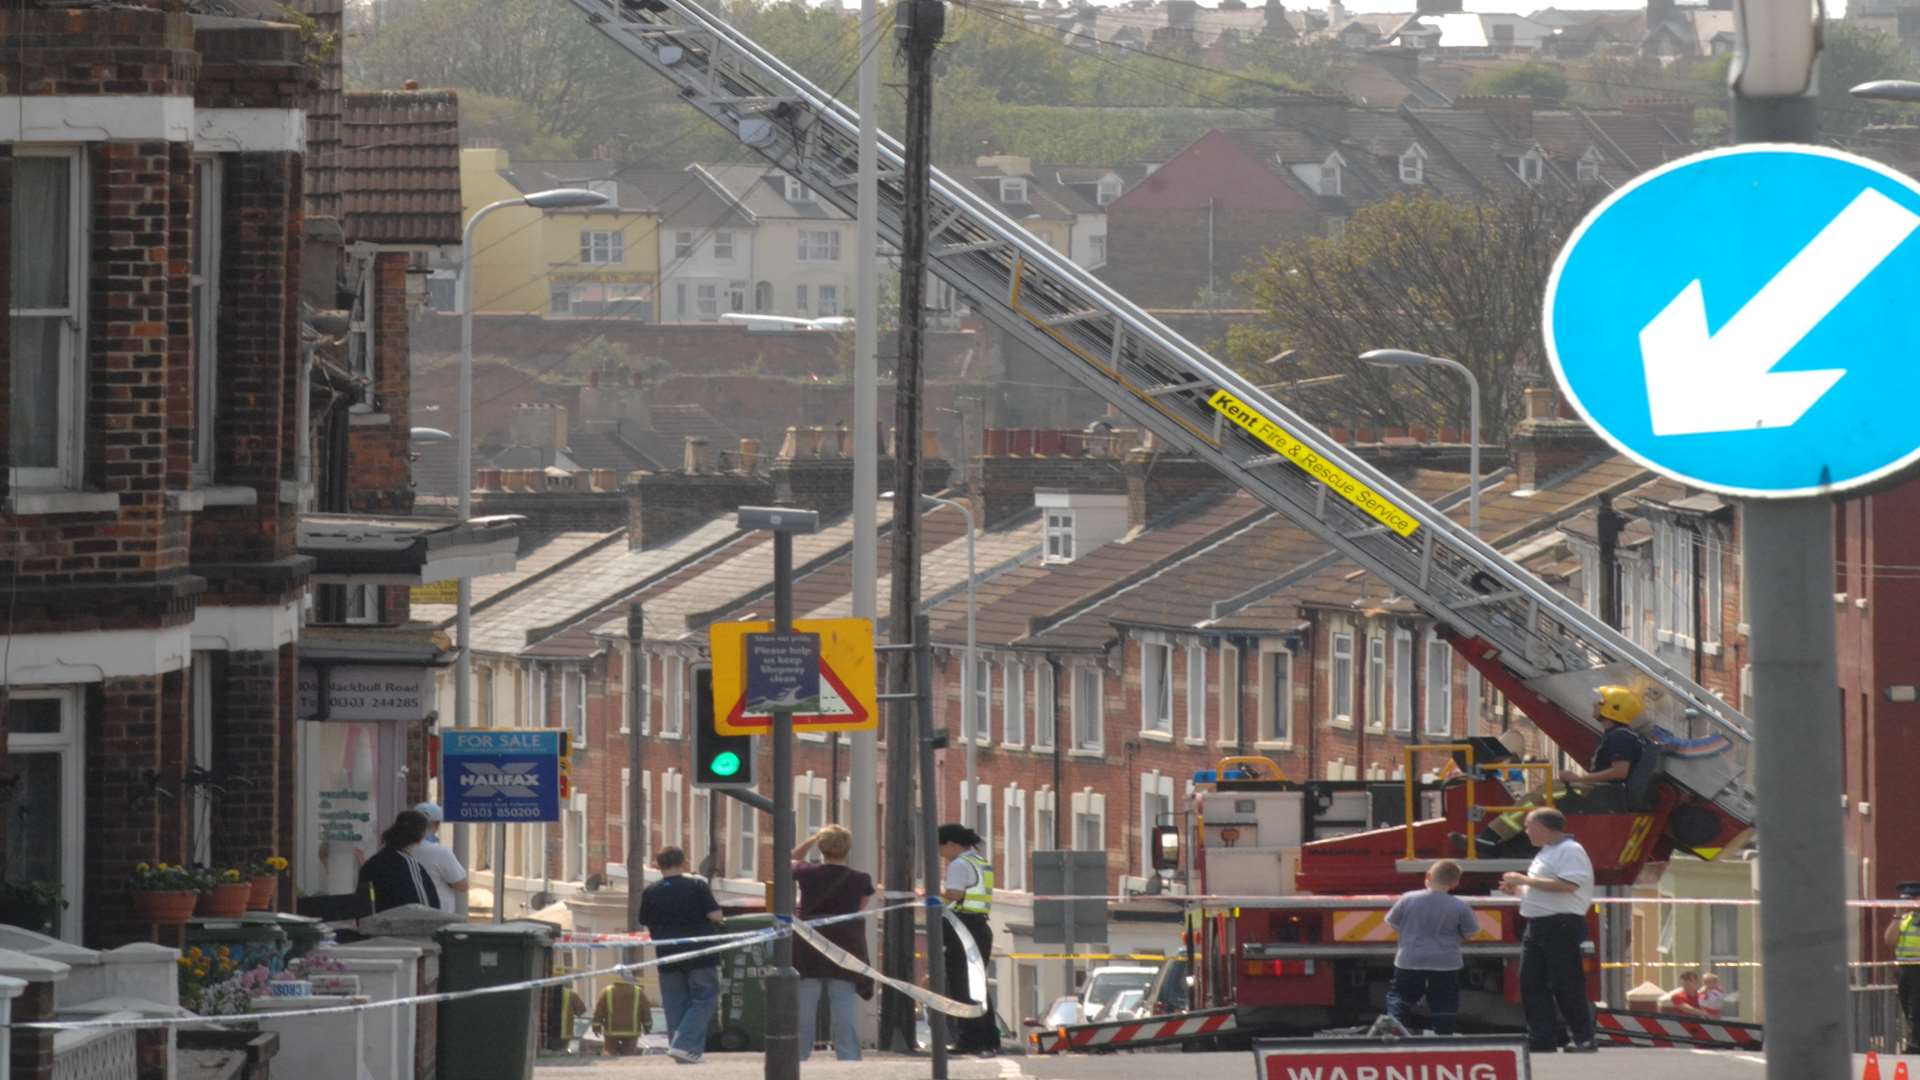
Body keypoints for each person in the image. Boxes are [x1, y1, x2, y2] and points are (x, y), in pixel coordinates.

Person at [1481, 686, 1649, 852]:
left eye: (1600, 702)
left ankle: (1491, 837)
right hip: (1604, 792)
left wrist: (1578, 779)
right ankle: (1511, 840)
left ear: (1613, 709)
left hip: (1602, 793)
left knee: (1540, 796)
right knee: (1547, 788)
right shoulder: (1621, 735)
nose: (1594, 705)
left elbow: (1620, 772)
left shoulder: (1620, 737)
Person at [1499, 807, 1597, 1054]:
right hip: (1537, 923)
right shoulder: (1546, 852)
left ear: (1543, 827)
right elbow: (1543, 888)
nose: (1526, 831)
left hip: (1560, 924)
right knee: (1531, 983)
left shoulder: (1570, 850)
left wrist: (1525, 881)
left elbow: (1569, 884)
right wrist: (1519, 890)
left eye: (1529, 826)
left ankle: (1583, 1038)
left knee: (1566, 982)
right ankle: (1542, 1038)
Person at [791, 824, 874, 1061]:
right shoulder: (860, 879)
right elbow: (859, 908)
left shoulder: (806, 873)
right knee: (843, 1010)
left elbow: (788, 860)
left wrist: (811, 838)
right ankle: (848, 1058)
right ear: (848, 848)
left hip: (809, 947)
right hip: (844, 949)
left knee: (804, 1010)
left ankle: (798, 1057)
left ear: (821, 847)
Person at [639, 847, 726, 1065]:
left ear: (658, 865)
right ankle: (684, 1044)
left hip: (667, 955)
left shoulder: (651, 891)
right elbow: (715, 915)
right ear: (684, 862)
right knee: (704, 998)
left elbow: (644, 920)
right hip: (700, 954)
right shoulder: (696, 885)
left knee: (674, 1002)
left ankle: (683, 1050)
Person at [1385, 859, 1481, 1036]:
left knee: (1401, 995)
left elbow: (1392, 922)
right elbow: (1469, 933)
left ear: (1428, 876)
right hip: (1446, 962)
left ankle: (1395, 1024)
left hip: (1409, 959)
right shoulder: (1460, 906)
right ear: (1455, 883)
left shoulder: (1408, 898)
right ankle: (1443, 1037)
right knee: (1445, 1000)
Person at [937, 823, 998, 1057]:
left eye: (941, 847)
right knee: (977, 984)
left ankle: (969, 1039)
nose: (940, 854)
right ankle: (988, 1037)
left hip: (962, 928)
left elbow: (954, 894)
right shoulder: (980, 862)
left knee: (962, 984)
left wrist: (930, 893)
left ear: (952, 844)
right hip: (979, 926)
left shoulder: (959, 865)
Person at [357, 810, 440, 912]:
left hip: (373, 925)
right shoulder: (409, 865)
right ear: (421, 834)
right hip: (402, 925)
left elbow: (362, 904)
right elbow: (425, 909)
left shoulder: (373, 863)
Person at [410, 801, 469, 914]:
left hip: (409, 912)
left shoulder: (400, 848)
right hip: (438, 914)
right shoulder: (440, 852)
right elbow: (462, 885)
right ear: (436, 825)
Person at [1883, 881, 1920, 1053]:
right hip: (1906, 969)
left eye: (1909, 901)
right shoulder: (1905, 919)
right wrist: (1897, 917)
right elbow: (1889, 940)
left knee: (1917, 1010)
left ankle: (1915, 1046)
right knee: (1908, 1008)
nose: (1906, 905)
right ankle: (1915, 1043)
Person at [592, 973, 655, 1057]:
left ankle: (610, 1068)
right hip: (632, 1030)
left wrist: (596, 1027)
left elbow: (599, 1011)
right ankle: (628, 1068)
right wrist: (647, 1027)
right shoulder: (638, 991)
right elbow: (645, 1010)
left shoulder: (607, 991)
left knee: (610, 1054)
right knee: (630, 1055)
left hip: (611, 1030)